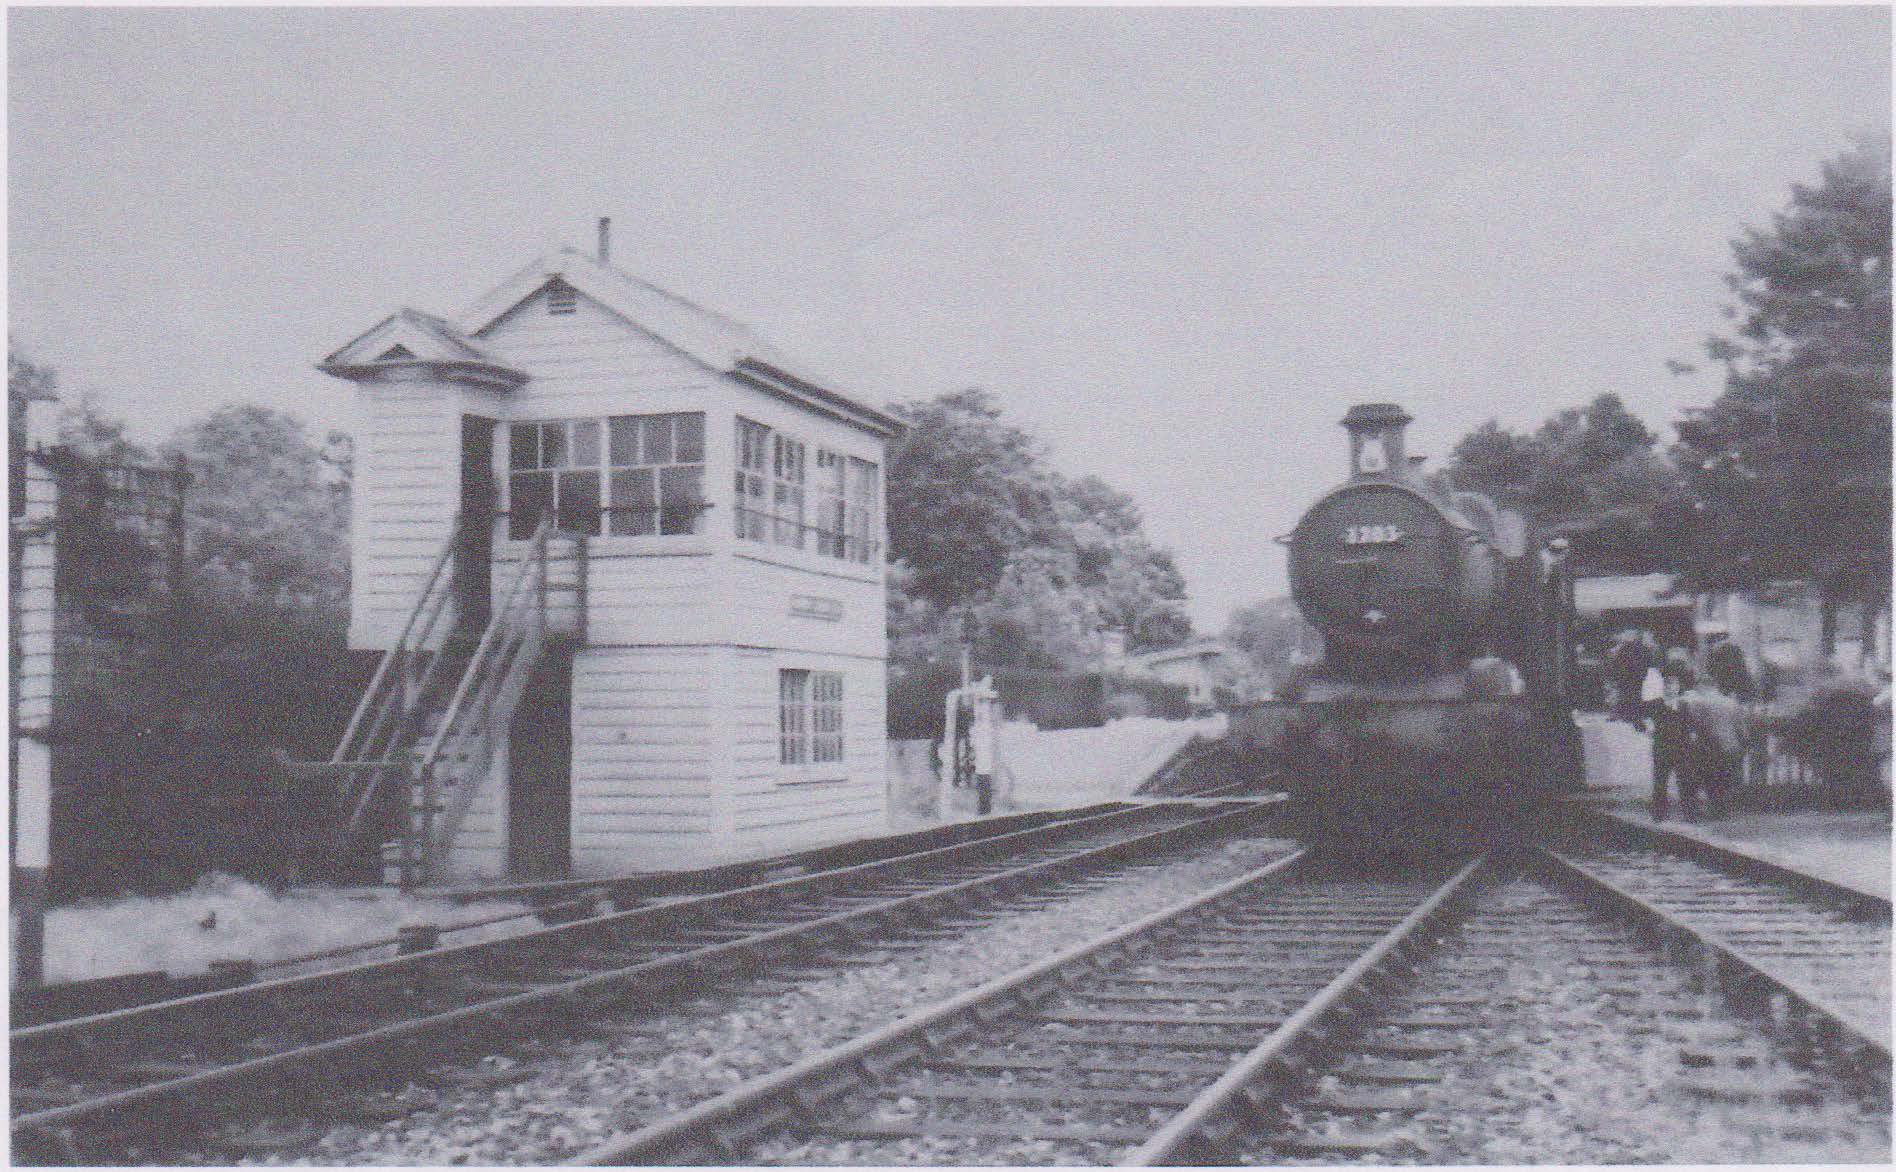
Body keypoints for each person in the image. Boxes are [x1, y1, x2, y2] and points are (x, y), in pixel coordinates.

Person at [1680, 666, 1747, 820]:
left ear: (1702, 686)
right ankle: (1721, 811)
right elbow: (1741, 729)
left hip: (1710, 747)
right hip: (1731, 747)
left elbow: (1696, 725)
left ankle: (1700, 812)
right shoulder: (1731, 702)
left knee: (1706, 779)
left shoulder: (1699, 703)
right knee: (1723, 780)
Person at [1649, 652, 1694, 820]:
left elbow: (1689, 725)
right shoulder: (1657, 705)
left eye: (1674, 685)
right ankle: (1658, 814)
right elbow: (1652, 724)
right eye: (1668, 685)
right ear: (1664, 687)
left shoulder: (1683, 705)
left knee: (1685, 782)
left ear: (1678, 686)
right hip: (1662, 748)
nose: (1671, 688)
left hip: (1681, 749)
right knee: (1660, 783)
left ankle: (1690, 813)